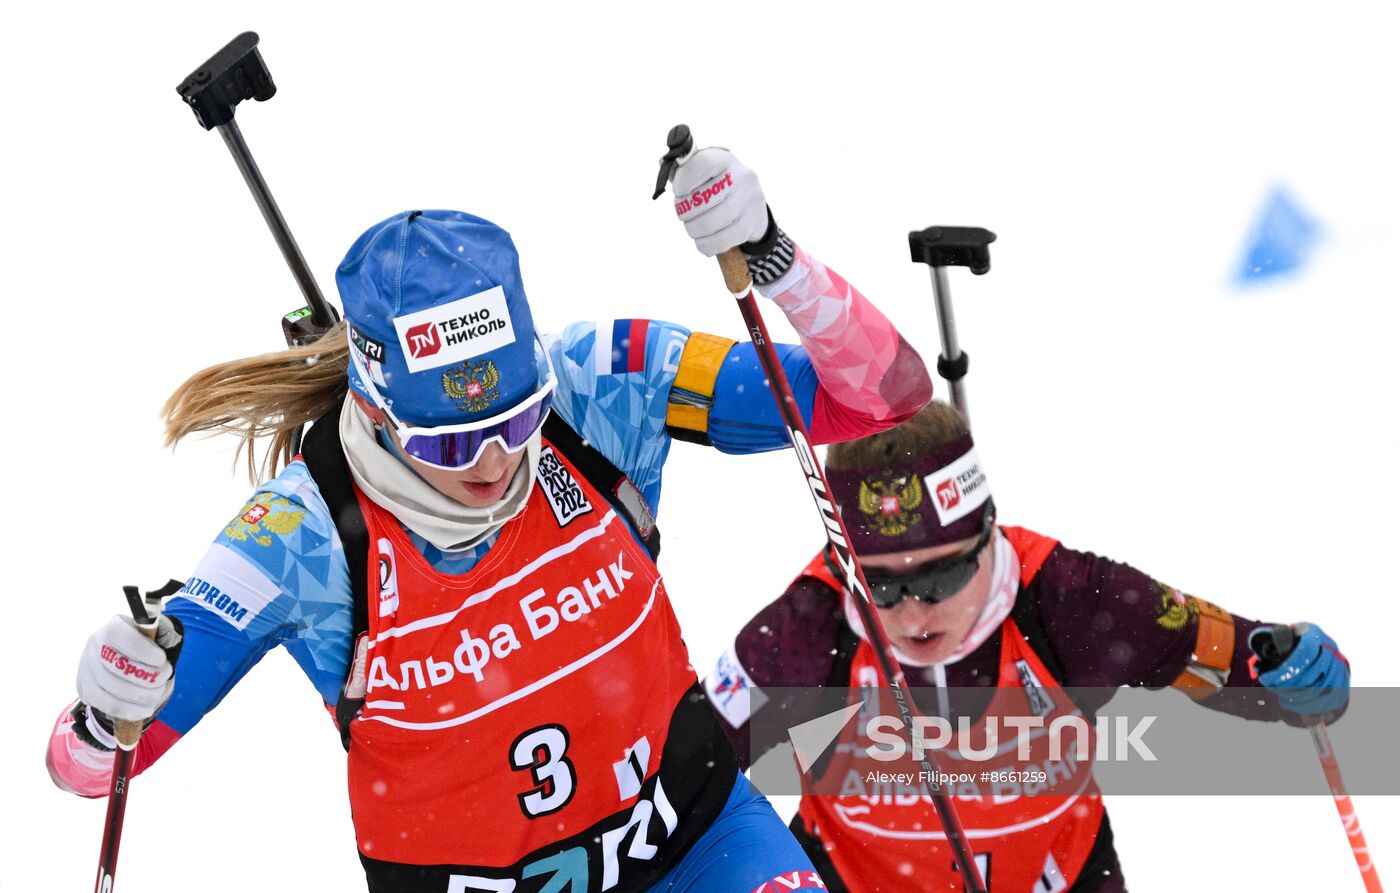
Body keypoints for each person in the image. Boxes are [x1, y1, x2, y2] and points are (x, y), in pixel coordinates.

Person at [47, 144, 935, 893]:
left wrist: (775, 257)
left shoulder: (599, 383)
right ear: (379, 406)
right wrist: (104, 706)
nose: (493, 461)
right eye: (447, 442)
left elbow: (884, 396)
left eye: (515, 420)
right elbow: (90, 770)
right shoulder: (297, 538)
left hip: (700, 841)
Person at [704, 399, 1351, 892]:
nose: (914, 609)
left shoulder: (1073, 597)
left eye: (942, 574)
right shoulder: (805, 629)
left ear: (990, 535)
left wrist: (1300, 673)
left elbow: (1233, 661)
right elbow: (685, 782)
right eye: (881, 584)